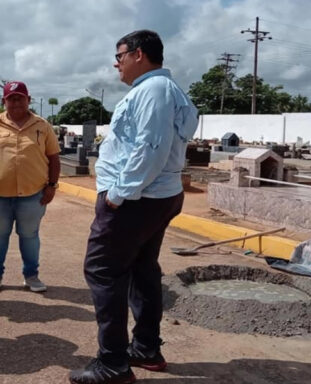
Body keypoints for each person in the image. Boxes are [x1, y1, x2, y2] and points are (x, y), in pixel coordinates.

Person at [69, 30, 198, 384]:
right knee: (142, 269)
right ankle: (145, 348)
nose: (116, 62)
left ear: (139, 55)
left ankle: (112, 362)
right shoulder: (170, 90)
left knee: (102, 271)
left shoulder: (153, 91)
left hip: (137, 198)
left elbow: (151, 148)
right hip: (156, 196)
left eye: (120, 55)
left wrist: (117, 194)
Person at [0, 81, 61, 295]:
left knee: (29, 235)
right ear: (4, 101)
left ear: (29, 100)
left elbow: (53, 157)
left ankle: (31, 275)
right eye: (11, 98)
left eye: (20, 97)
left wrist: (52, 186)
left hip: (32, 194)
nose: (16, 101)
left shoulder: (42, 126)